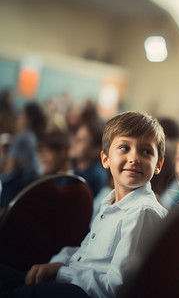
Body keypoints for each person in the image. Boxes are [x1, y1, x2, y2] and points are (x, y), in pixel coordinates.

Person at [0, 111, 168, 298]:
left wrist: (62, 273)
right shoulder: (110, 203)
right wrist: (59, 264)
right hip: (74, 280)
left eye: (146, 151)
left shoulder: (141, 211)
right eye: (124, 148)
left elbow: (115, 288)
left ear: (158, 164)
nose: (134, 158)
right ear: (105, 159)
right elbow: (85, 251)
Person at [0, 102, 47, 208]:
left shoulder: (23, 137)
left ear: (28, 120)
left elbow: (9, 169)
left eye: (21, 114)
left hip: (17, 190)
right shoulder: (31, 136)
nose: (18, 118)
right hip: (30, 187)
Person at [69, 119, 108, 198]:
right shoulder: (76, 170)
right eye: (75, 137)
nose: (73, 142)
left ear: (96, 150)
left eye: (80, 140)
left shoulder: (96, 175)